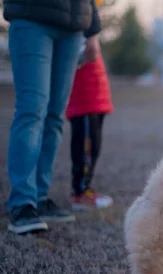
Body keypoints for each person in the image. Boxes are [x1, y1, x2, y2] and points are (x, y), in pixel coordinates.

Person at [4, 0, 101, 234]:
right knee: (32, 111)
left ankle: (40, 196)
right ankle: (22, 202)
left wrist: (93, 32)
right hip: (32, 17)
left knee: (55, 117)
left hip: (73, 27)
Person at [65, 29, 114, 210]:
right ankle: (81, 193)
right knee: (86, 148)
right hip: (84, 100)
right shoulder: (80, 24)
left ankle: (84, 189)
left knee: (94, 146)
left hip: (94, 96)